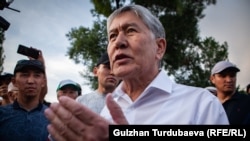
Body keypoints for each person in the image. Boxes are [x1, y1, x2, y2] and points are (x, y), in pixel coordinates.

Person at [44, 4, 229, 141]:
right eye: (112, 36)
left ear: (159, 47)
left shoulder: (202, 104)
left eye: (130, 30)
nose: (119, 42)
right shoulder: (107, 111)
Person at [0, 59, 49, 141]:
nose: (30, 81)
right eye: (25, 75)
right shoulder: (2, 114)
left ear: (43, 82)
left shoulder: (52, 117)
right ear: (14, 81)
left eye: (37, 75)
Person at [210, 60, 250, 124]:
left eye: (232, 75)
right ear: (212, 79)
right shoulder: (207, 104)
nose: (229, 80)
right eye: (223, 76)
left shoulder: (247, 102)